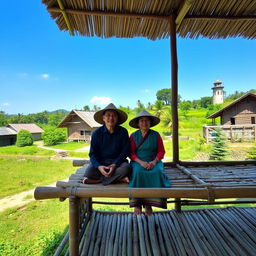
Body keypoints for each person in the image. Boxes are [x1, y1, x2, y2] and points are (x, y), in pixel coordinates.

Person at [128, 110, 171, 216]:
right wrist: (141, 162)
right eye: (141, 121)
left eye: (147, 120)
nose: (144, 123)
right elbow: (131, 153)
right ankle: (137, 203)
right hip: (138, 161)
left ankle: (148, 204)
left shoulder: (156, 135)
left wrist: (154, 162)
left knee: (156, 172)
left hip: (154, 161)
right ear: (138, 124)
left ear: (150, 123)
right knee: (138, 172)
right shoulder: (133, 136)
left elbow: (161, 151)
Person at [81, 103, 130, 185]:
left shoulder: (123, 132)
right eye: (108, 115)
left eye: (114, 115)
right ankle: (118, 179)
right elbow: (92, 154)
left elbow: (125, 152)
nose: (111, 118)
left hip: (118, 163)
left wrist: (114, 164)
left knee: (127, 168)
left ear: (117, 118)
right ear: (103, 118)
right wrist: (99, 166)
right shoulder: (96, 133)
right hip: (101, 162)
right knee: (89, 172)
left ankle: (99, 180)